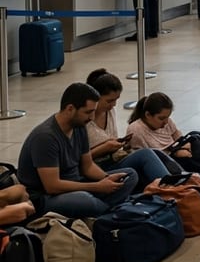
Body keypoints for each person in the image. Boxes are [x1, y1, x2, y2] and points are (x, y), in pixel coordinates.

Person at [16, 83, 138, 218]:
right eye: (88, 112)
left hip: (78, 183)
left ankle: (106, 211)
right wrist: (97, 187)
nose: (92, 118)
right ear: (70, 109)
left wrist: (106, 179)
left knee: (130, 175)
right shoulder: (45, 137)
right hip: (46, 197)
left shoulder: (79, 126)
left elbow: (88, 166)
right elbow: (52, 186)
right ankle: (113, 213)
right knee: (85, 200)